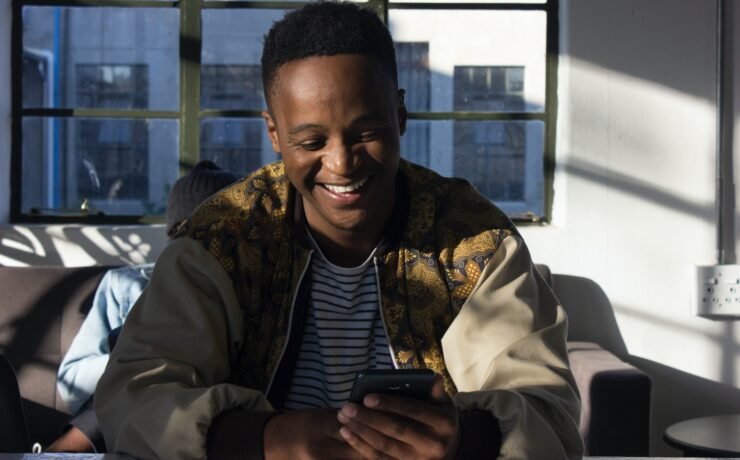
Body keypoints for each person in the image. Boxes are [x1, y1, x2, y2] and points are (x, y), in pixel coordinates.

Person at [95, 2, 583, 459]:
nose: (342, 164)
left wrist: (461, 441)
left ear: (400, 115)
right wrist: (265, 440)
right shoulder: (224, 237)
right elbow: (133, 399)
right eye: (310, 140)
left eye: (366, 133)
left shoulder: (474, 243)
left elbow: (547, 413)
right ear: (274, 134)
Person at [49, 160, 240, 453]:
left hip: (210, 412)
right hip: (134, 418)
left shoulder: (247, 293)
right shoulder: (124, 284)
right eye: (193, 233)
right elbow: (70, 380)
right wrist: (135, 353)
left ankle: (62, 451)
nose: (203, 249)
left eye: (219, 235)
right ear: (175, 234)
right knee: (136, 386)